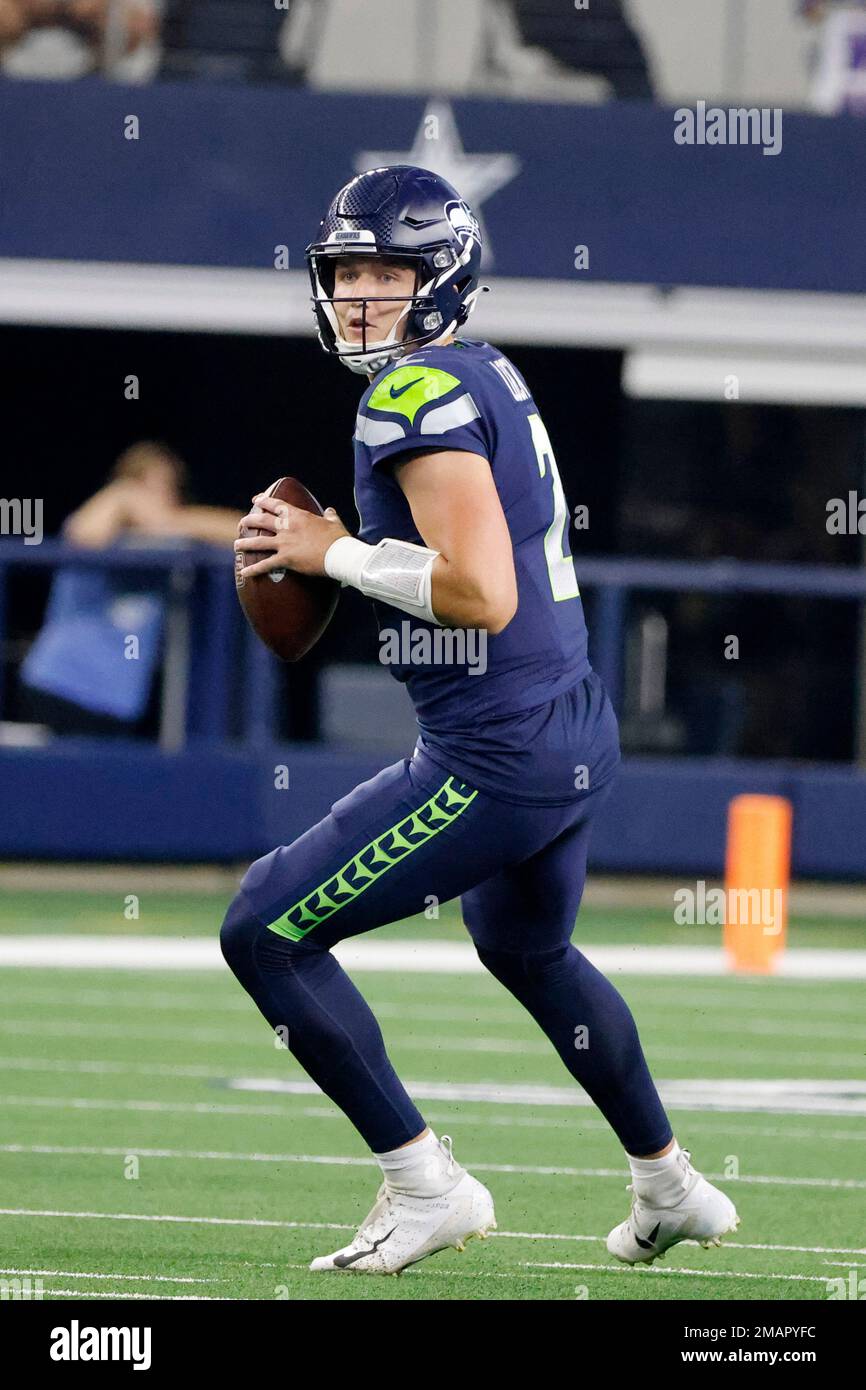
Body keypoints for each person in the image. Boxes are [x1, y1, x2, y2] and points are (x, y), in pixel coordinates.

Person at [222, 165, 738, 1275]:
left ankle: (424, 1186)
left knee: (263, 926)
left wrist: (330, 554)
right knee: (525, 944)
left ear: (440, 276)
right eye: (346, 273)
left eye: (386, 273)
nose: (361, 296)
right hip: (567, 727)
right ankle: (670, 1183)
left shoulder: (409, 394)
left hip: (497, 752)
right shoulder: (481, 370)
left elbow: (478, 593)